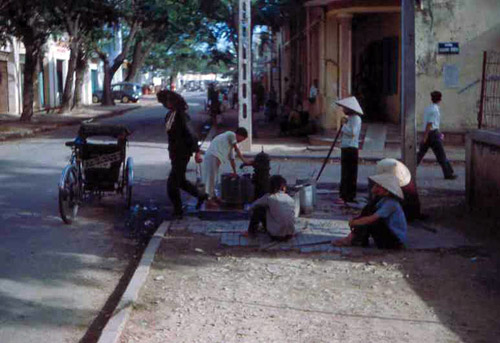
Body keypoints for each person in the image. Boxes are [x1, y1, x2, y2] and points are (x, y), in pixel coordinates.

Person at [157, 90, 208, 219]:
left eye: (166, 102)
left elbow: (191, 135)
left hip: (182, 153)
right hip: (174, 152)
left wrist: (197, 152)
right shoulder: (170, 115)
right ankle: (201, 196)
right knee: (181, 181)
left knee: (172, 185)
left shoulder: (182, 116)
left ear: (173, 102)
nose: (165, 104)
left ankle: (178, 211)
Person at [332, 174, 407, 249]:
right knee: (368, 209)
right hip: (387, 234)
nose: (375, 187)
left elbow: (372, 219)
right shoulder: (382, 200)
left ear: (386, 191)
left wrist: (355, 222)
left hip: (395, 240)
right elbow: (368, 211)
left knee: (369, 221)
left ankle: (354, 239)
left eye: (378, 186)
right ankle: (354, 238)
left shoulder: (391, 203)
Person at [203, 127, 251, 206]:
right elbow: (236, 149)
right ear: (239, 135)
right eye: (241, 139)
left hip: (215, 157)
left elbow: (232, 159)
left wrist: (235, 172)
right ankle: (208, 199)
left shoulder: (230, 144)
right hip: (213, 155)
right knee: (210, 178)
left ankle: (214, 197)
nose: (240, 142)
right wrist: (244, 160)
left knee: (214, 178)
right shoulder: (230, 134)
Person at [417, 91, 457, 180]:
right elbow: (430, 124)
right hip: (432, 135)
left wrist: (425, 136)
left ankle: (408, 170)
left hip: (430, 134)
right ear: (440, 99)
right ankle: (448, 174)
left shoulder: (428, 108)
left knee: (420, 154)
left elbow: (429, 123)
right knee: (441, 155)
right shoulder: (435, 110)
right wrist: (426, 136)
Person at [245, 175, 296, 240]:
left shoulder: (269, 197)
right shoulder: (290, 198)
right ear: (283, 187)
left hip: (276, 236)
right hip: (290, 235)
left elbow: (252, 206)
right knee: (271, 209)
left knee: (259, 209)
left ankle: (250, 233)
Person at [335, 96, 363, 204]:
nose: (343, 110)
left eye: (345, 108)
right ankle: (344, 195)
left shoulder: (356, 119)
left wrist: (343, 126)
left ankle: (349, 196)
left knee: (350, 173)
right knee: (345, 173)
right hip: (345, 147)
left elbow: (353, 133)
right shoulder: (349, 118)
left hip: (351, 148)